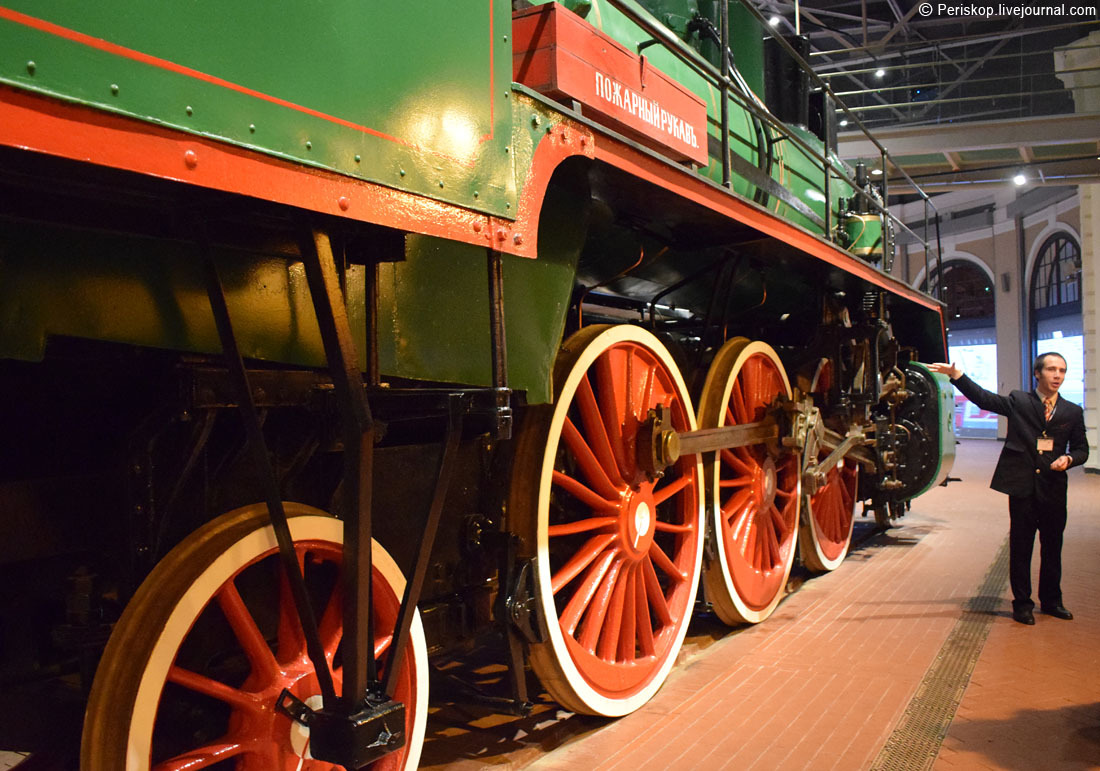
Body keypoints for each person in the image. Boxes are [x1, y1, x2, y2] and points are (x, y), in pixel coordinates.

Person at [927, 353, 1088, 625]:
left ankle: (1052, 601)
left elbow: (1082, 449)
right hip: (1023, 488)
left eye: (1062, 370)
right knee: (1021, 547)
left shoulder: (1072, 411)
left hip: (1053, 490)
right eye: (1051, 369)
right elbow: (985, 399)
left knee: (1052, 547)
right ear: (1038, 374)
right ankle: (1022, 604)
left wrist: (1070, 459)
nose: (1057, 375)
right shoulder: (1020, 402)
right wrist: (957, 376)